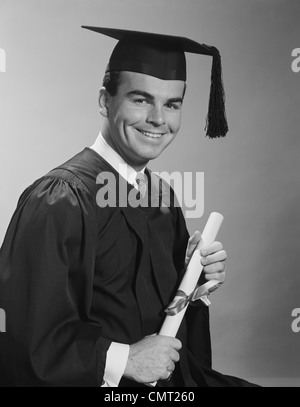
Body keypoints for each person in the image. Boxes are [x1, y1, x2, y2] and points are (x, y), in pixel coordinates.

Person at [0, 26, 257, 387]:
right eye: (141, 99)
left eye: (172, 104)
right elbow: (23, 339)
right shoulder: (61, 198)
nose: (158, 119)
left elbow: (166, 343)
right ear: (105, 100)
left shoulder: (161, 195)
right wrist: (124, 360)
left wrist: (190, 285)